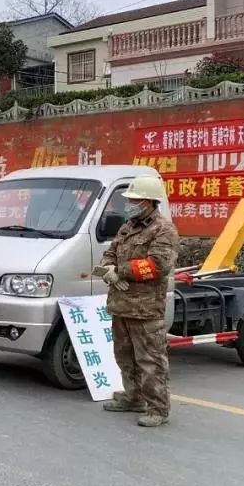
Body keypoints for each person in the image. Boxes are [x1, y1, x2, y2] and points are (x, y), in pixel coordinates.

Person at [97, 175, 180, 428]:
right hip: (121, 304)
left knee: (150, 360)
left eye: (134, 200)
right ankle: (133, 397)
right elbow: (110, 253)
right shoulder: (127, 227)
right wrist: (107, 269)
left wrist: (120, 271)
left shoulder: (164, 230)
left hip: (145, 308)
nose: (129, 204)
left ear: (148, 201)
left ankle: (158, 408)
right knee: (124, 356)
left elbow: (157, 265)